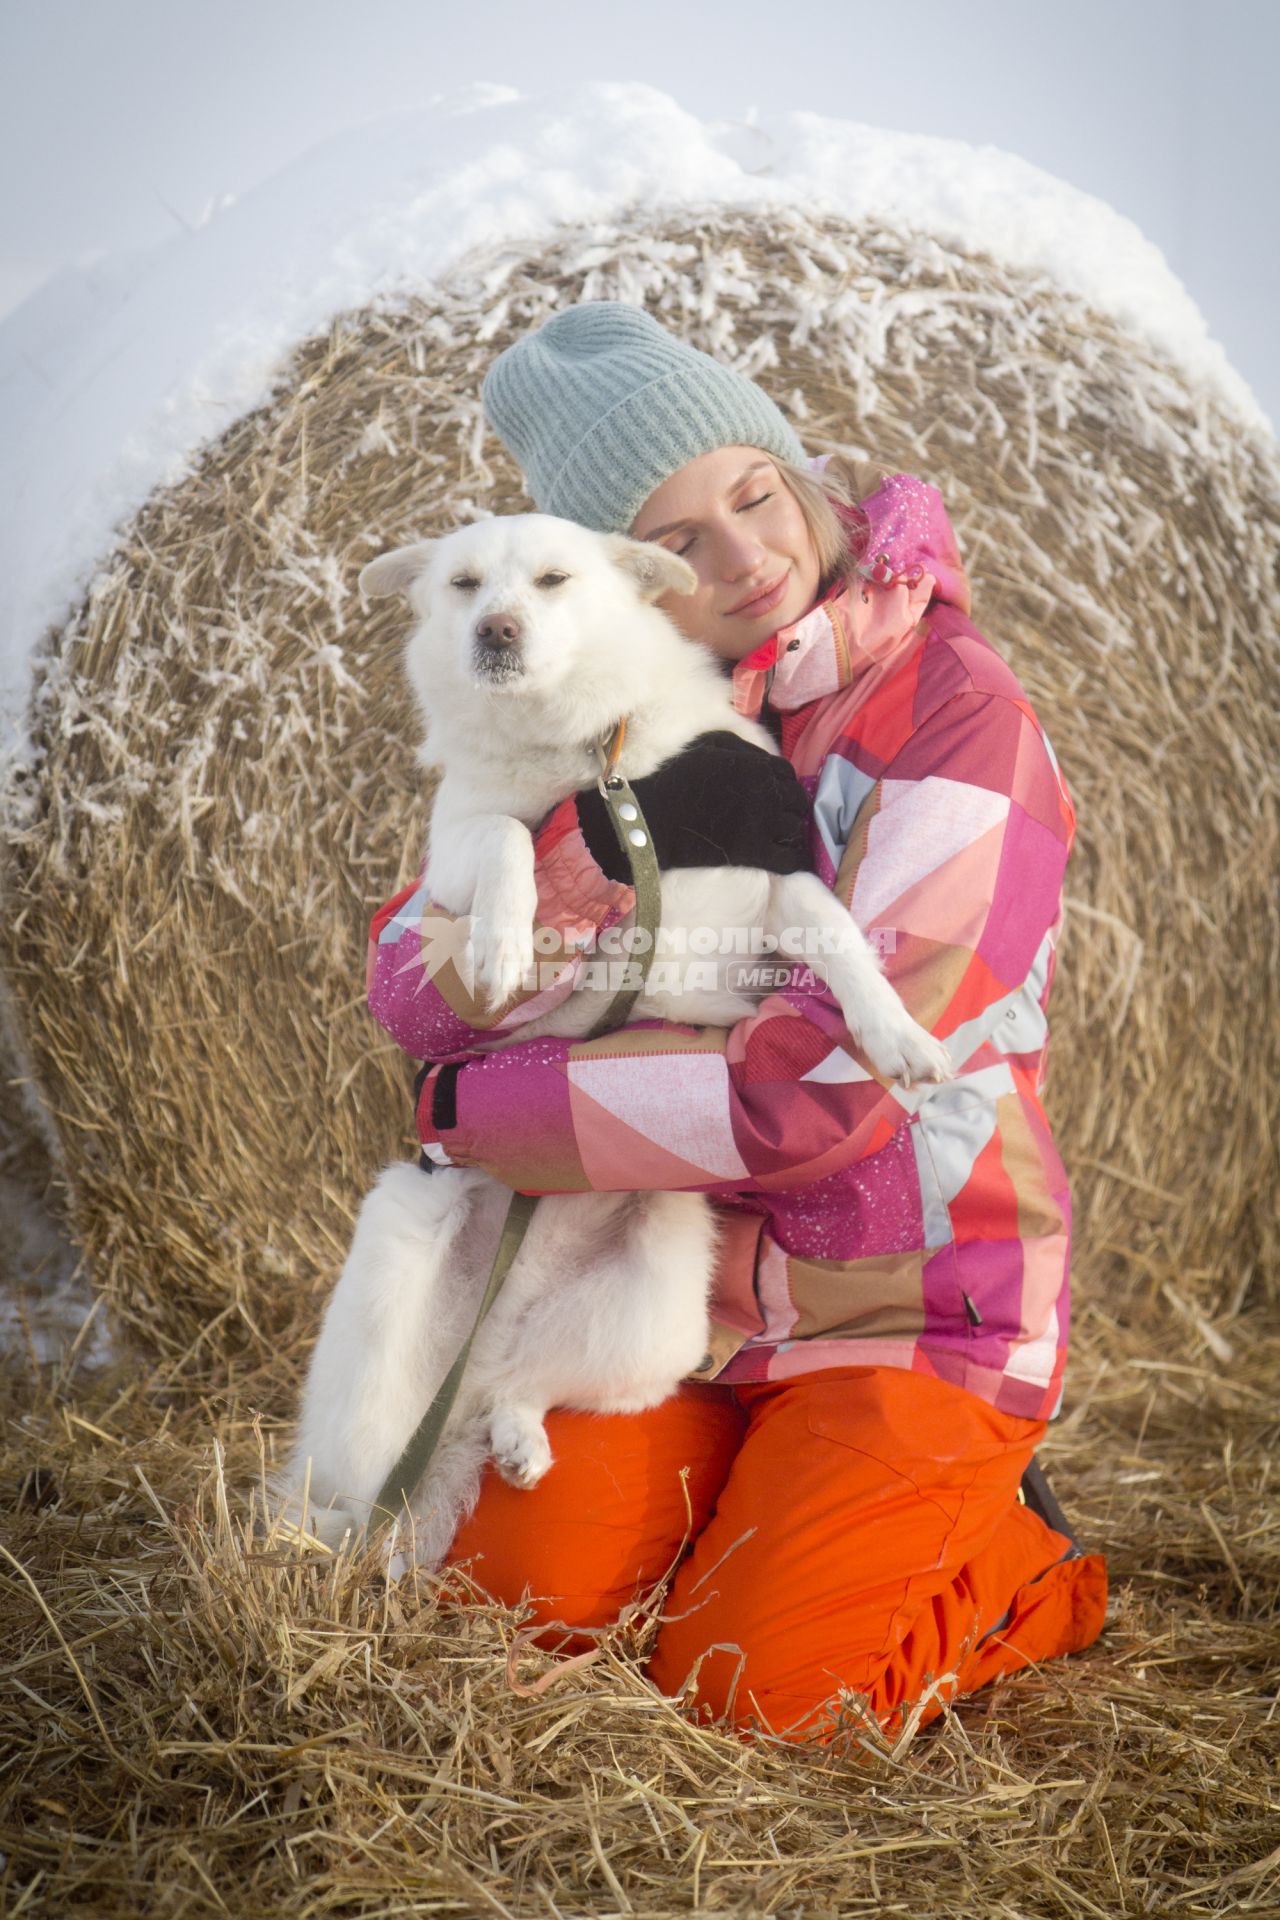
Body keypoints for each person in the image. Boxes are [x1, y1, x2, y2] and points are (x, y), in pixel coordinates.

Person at [364, 301, 1108, 1744]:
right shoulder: (615, 718)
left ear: (800, 477)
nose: (744, 558)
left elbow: (827, 1087)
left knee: (756, 1696)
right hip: (686, 1314)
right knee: (502, 1607)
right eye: (679, 542)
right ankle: (747, 1533)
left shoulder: (960, 721)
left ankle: (1029, 1563)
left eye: (754, 496)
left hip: (909, 1312)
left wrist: (484, 1110)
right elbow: (412, 978)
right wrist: (565, 866)